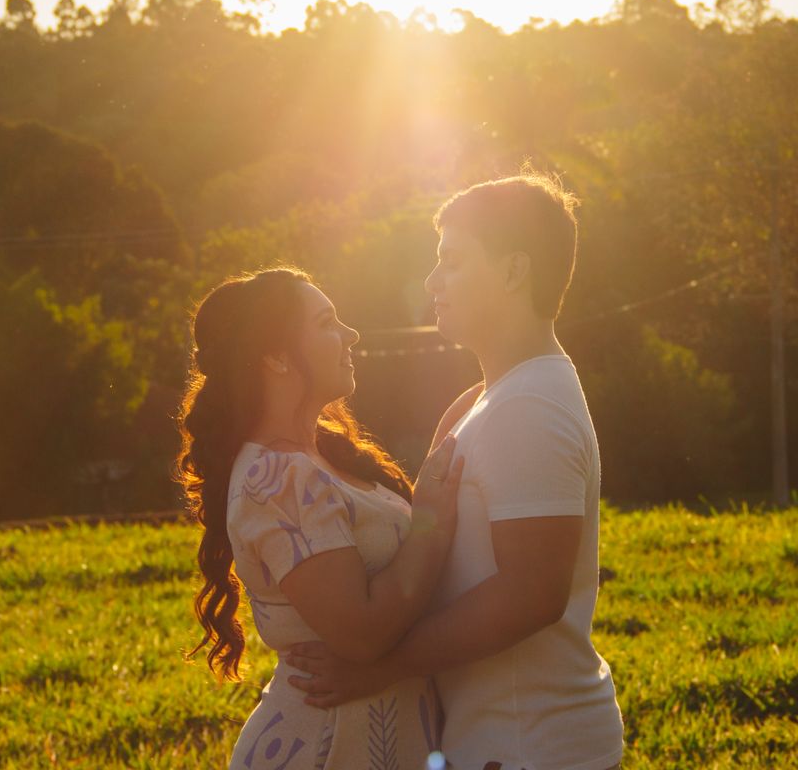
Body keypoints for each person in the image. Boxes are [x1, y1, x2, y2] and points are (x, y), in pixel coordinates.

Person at [285, 174, 625, 770]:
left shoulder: (530, 406)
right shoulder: (489, 399)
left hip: (533, 744)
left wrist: (379, 667)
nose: (431, 282)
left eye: (453, 262)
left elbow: (532, 594)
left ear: (515, 272)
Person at [175, 266, 463, 769]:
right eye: (327, 323)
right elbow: (362, 634)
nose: (350, 334)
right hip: (326, 749)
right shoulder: (278, 476)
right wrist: (430, 527)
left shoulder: (318, 455)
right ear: (277, 356)